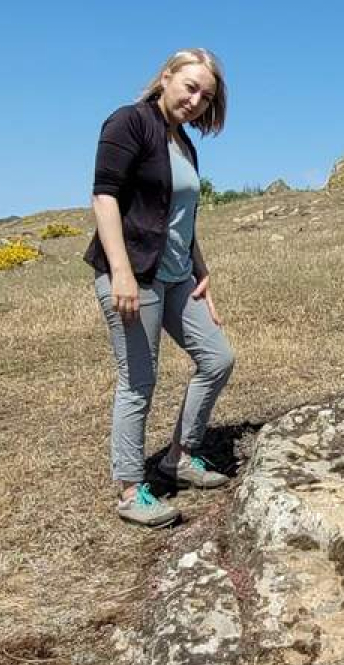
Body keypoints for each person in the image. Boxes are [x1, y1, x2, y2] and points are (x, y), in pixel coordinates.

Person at [84, 48, 235, 527]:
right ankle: (132, 491)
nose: (195, 101)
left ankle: (180, 457)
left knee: (217, 359)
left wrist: (201, 268)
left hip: (176, 277)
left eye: (205, 97)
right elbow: (104, 196)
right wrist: (122, 272)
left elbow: (181, 217)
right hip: (134, 276)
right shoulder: (129, 122)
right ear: (166, 76)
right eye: (190, 87)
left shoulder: (185, 144)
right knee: (138, 382)